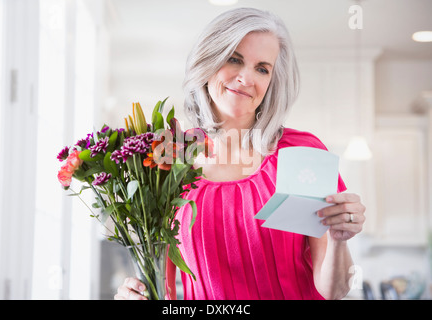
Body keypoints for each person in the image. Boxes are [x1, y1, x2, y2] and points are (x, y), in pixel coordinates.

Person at [114, 7, 366, 300]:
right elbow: (165, 291)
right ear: (208, 63)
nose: (247, 78)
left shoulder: (299, 154)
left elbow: (333, 290)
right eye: (234, 59)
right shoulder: (169, 160)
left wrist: (338, 240)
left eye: (262, 68)